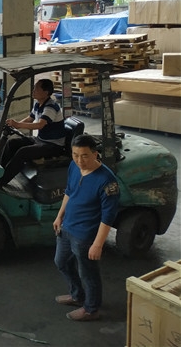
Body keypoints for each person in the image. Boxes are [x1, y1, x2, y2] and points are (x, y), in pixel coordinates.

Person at [53, 134, 120, 321]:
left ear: (95, 154)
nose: (79, 161)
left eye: (84, 156)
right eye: (75, 155)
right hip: (67, 227)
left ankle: (91, 309)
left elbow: (108, 216)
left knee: (88, 273)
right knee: (61, 262)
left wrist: (98, 244)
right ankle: (77, 296)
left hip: (85, 235)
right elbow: (69, 191)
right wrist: (60, 216)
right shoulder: (74, 166)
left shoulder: (108, 181)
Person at [0, 78, 66, 189]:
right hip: (41, 140)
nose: (33, 91)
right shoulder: (38, 104)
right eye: (33, 88)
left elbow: (40, 125)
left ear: (46, 92)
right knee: (12, 143)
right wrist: (14, 124)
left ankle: (1, 182)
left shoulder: (50, 107)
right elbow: (30, 119)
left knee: (23, 152)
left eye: (36, 89)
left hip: (53, 145)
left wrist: (18, 124)